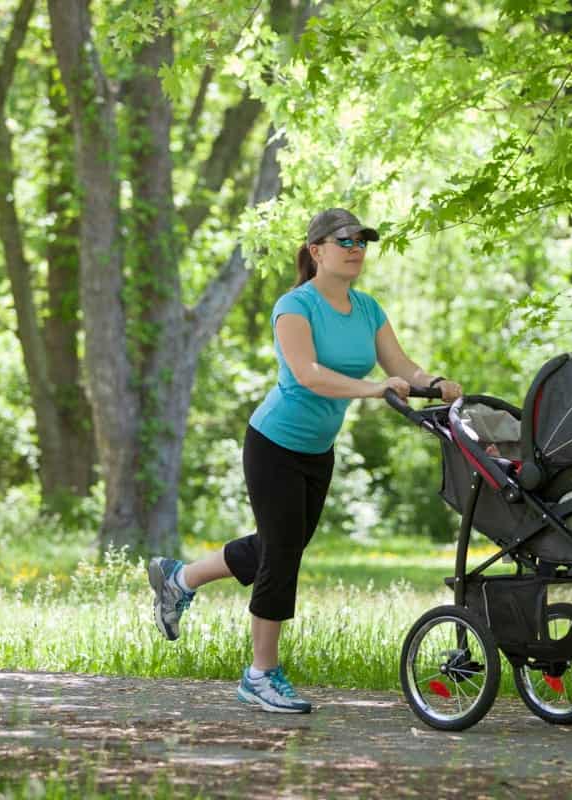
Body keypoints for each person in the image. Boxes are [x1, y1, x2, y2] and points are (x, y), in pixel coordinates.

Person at [147, 208, 462, 713]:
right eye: (345, 240)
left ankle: (180, 579)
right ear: (316, 250)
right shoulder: (294, 307)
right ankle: (261, 674)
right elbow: (308, 374)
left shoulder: (368, 310)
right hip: (273, 445)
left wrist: (434, 384)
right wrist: (374, 388)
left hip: (318, 450)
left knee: (278, 544)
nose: (356, 247)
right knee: (282, 554)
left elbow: (401, 365)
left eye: (362, 240)